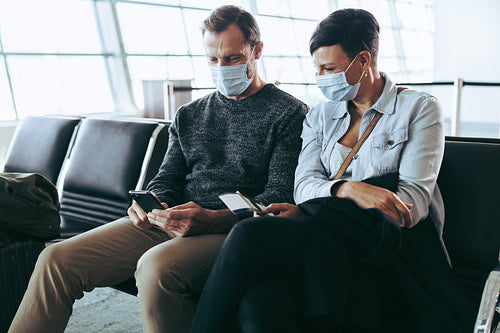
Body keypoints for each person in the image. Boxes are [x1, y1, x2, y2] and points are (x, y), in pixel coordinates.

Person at [8, 6, 308, 333]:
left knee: (156, 269)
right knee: (55, 262)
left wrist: (214, 218)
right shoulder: (190, 114)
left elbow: (277, 195)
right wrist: (149, 203)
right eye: (212, 60)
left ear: (257, 50)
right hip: (172, 220)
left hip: (233, 231)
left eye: (233, 58)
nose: (221, 68)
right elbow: (166, 179)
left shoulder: (290, 113)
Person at [190, 8, 476, 333]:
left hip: (386, 248)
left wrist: (324, 201)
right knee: (260, 303)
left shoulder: (419, 108)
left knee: (249, 235)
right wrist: (349, 189)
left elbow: (409, 205)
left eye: (330, 68)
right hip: (325, 239)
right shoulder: (320, 116)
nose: (322, 77)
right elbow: (304, 185)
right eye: (317, 69)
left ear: (364, 61)